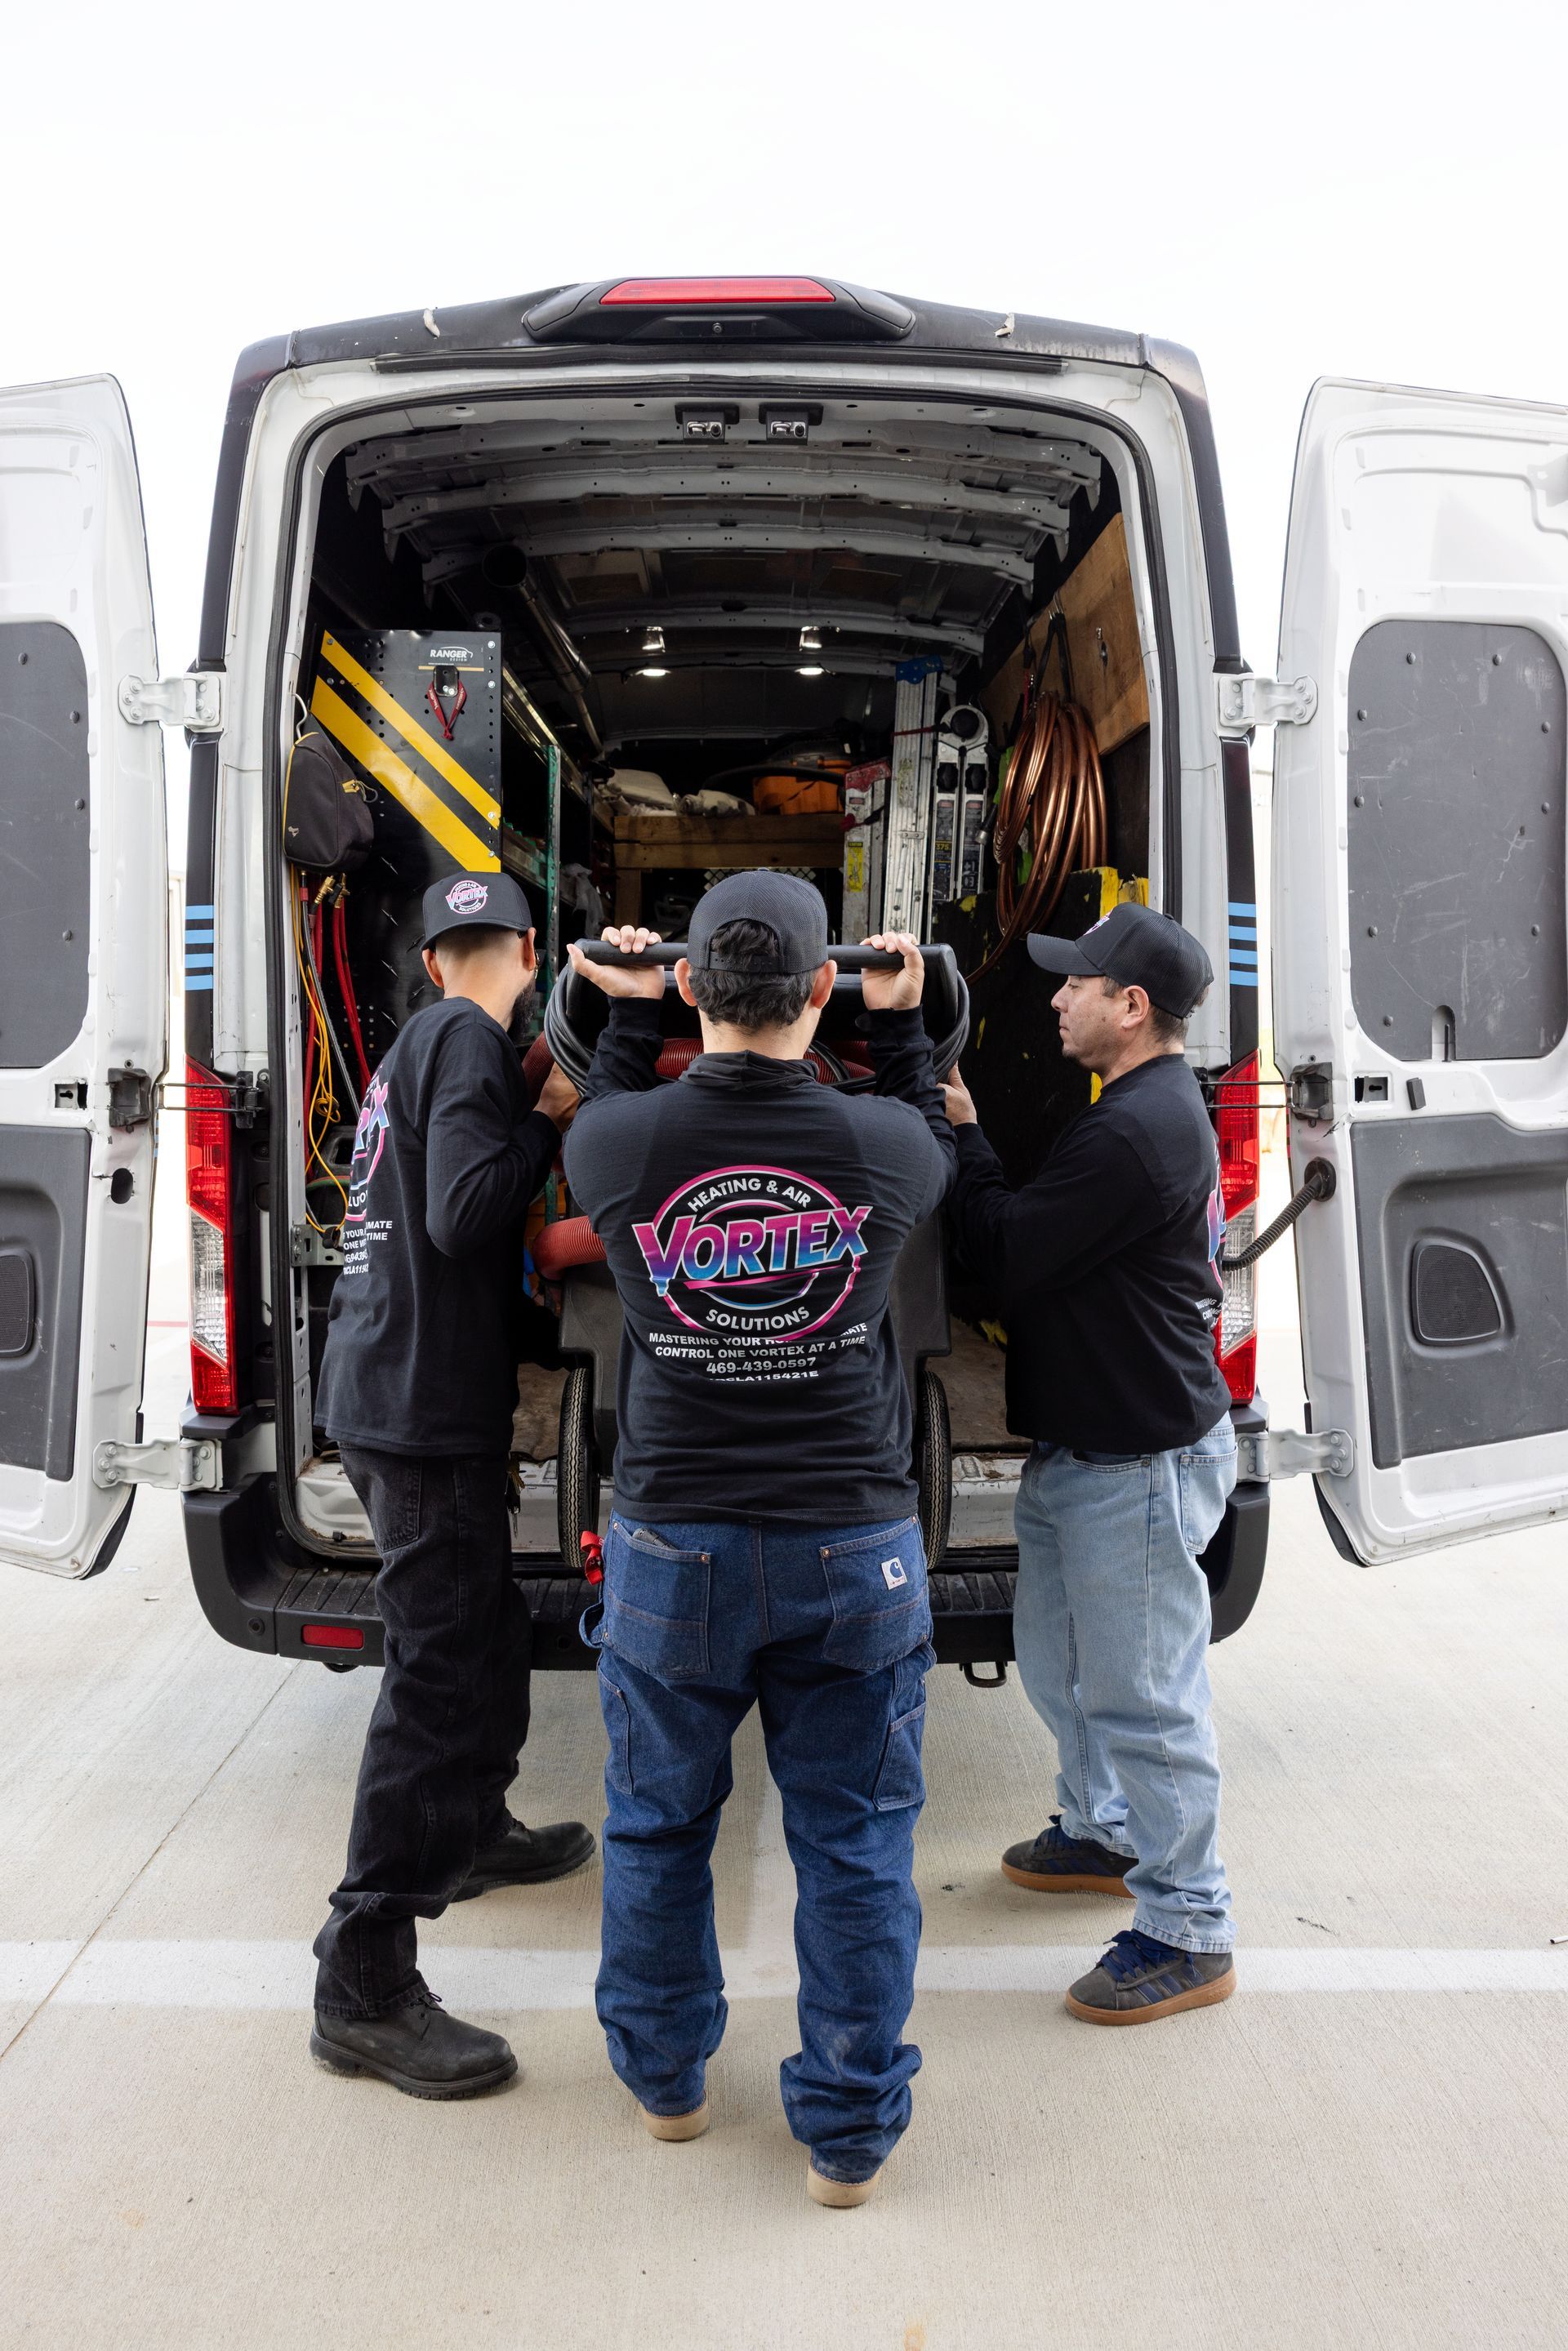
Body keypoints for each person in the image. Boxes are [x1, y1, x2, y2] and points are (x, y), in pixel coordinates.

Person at [560, 874, 955, 2207]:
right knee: (855, 1845)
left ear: (687, 989)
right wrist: (901, 1018)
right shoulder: (885, 1151)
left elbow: (604, 1097)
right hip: (854, 1545)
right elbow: (918, 1111)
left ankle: (667, 2086)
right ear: (820, 989)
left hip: (677, 1546)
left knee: (660, 1828)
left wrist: (614, 1009)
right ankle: (847, 2141)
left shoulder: (613, 1149)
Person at [309, 870, 595, 2099]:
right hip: (420, 1412)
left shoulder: (424, 1044)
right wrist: (561, 1112)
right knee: (433, 1678)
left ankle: (474, 1828)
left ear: (434, 959)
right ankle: (362, 1980)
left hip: (398, 1389)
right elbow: (470, 1208)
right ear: (528, 952)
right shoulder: (470, 1041)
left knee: (481, 1631)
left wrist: (530, 1091)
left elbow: (449, 1162)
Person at [943, 902, 1238, 2025]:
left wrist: (963, 1135)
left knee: (1146, 1698)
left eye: (1075, 984)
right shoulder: (1133, 1107)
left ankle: (1190, 1926)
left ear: (1132, 1006)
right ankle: (1105, 1830)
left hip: (1139, 1461)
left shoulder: (1138, 1129)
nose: (1054, 997)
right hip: (1088, 1445)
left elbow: (1011, 1249)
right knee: (1059, 1661)